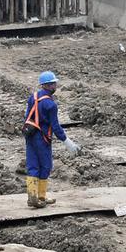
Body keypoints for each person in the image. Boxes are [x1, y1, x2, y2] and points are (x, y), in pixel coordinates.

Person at [23, 71, 80, 209]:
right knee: (45, 166)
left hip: (30, 135)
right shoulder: (50, 105)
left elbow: (27, 116)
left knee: (32, 165)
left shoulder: (33, 97)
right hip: (42, 138)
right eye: (54, 83)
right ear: (48, 85)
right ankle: (41, 196)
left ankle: (33, 197)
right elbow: (55, 126)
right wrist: (67, 142)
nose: (56, 85)